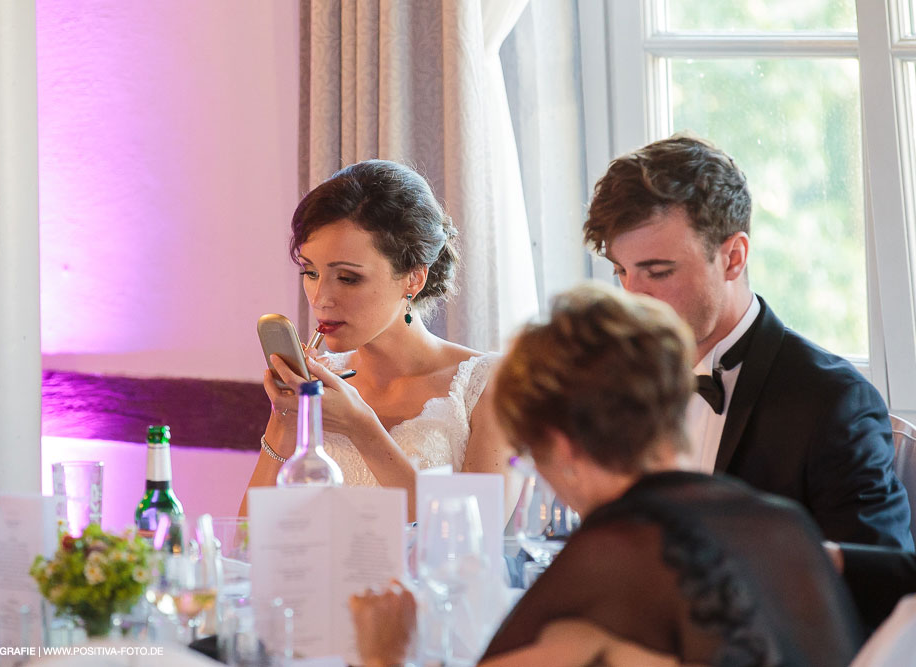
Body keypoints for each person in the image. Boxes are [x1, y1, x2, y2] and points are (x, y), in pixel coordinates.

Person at [351, 283, 863, 666]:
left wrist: (386, 654)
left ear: (564, 447)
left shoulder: (616, 554)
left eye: (533, 452)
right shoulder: (782, 524)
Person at [582, 135, 913, 549]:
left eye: (659, 272)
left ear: (733, 258)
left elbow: (887, 579)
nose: (634, 297)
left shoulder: (831, 402)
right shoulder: (618, 387)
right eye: (621, 272)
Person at [244, 160, 516, 519]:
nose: (321, 298)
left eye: (347, 278)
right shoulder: (317, 387)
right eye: (310, 272)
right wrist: (284, 421)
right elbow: (247, 544)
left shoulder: (489, 384)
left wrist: (363, 430)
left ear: (413, 279)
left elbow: (478, 541)